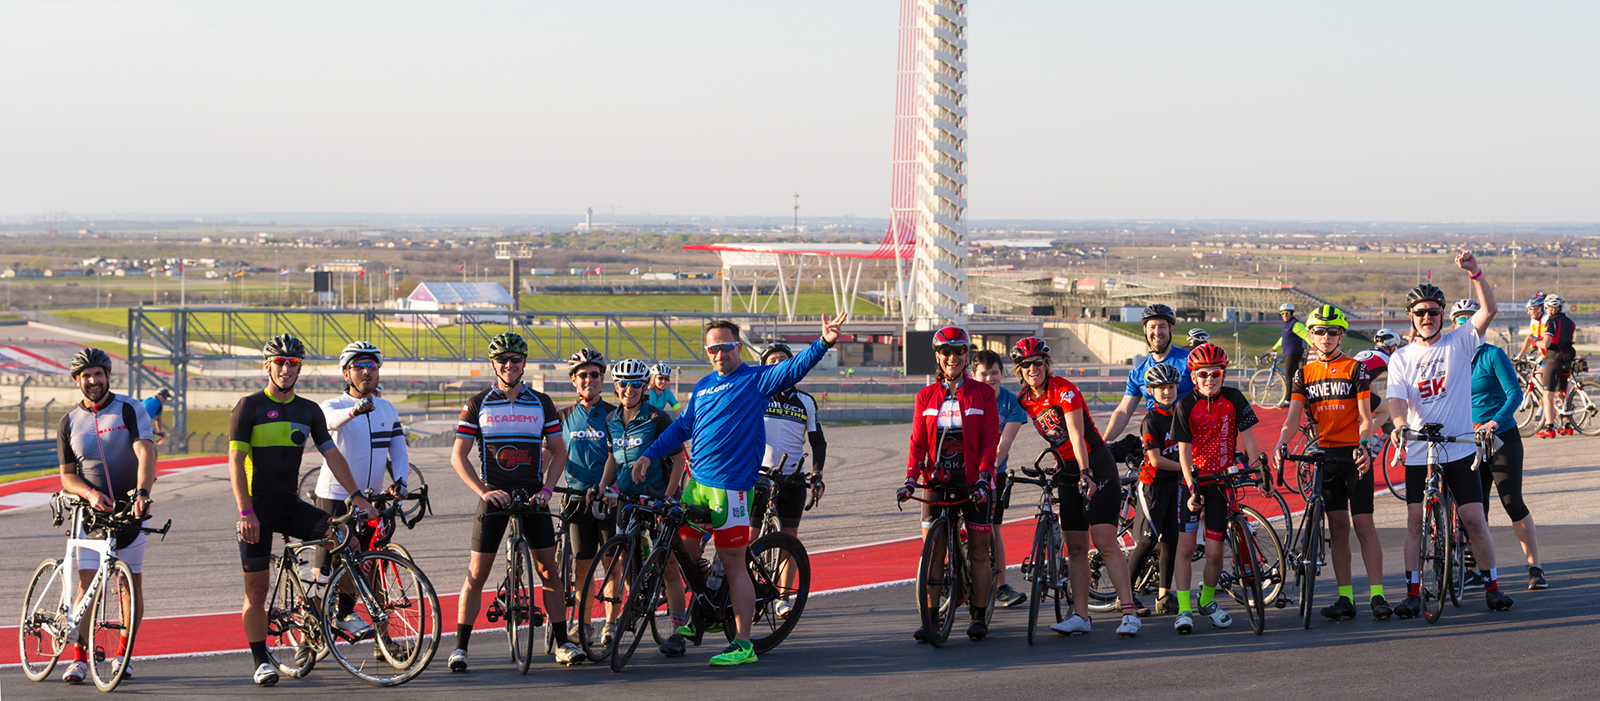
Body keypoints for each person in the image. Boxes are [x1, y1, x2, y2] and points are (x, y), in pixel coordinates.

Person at [634, 311, 848, 666]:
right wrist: (648, 455)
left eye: (727, 346)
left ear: (738, 348)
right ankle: (703, 610)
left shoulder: (756, 380)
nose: (720, 353)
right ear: (707, 352)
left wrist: (823, 342)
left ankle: (743, 643)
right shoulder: (702, 386)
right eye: (713, 348)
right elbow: (681, 428)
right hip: (697, 486)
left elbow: (794, 369)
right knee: (683, 555)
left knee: (733, 562)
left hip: (731, 488)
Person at [229, 334, 372, 687]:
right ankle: (261, 660)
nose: (285, 369)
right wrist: (245, 511)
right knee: (257, 591)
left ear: (300, 368)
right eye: (279, 362)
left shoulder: (308, 410)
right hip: (257, 510)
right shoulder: (248, 407)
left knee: (349, 542)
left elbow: (332, 455)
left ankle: (341, 615)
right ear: (267, 366)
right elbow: (234, 461)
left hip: (290, 505)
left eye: (292, 363)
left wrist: (357, 496)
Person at [1385, 252, 1514, 616]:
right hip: (1418, 450)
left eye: (1433, 311)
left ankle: (1492, 585)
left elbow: (1489, 310)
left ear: (1443, 314)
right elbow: (1396, 399)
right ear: (1411, 317)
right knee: (1413, 522)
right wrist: (1398, 426)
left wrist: (1475, 272)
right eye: (1420, 312)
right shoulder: (1402, 357)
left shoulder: (1459, 342)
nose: (1427, 317)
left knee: (1474, 519)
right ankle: (1413, 592)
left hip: (1458, 447)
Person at [448, 332, 583, 672]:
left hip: (532, 493)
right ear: (493, 364)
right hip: (494, 492)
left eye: (516, 360)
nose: (509, 365)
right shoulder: (478, 403)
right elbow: (458, 456)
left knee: (548, 570)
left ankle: (563, 642)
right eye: (503, 360)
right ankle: (461, 647)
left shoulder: (541, 402)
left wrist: (548, 490)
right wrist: (483, 491)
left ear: (524, 363)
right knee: (476, 574)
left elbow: (559, 451)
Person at [1010, 335, 1142, 637]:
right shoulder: (1024, 399)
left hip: (1095, 462)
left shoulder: (1063, 390)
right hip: (1067, 469)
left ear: (1047, 364)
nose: (1033, 369)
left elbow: (1075, 434)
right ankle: (1080, 616)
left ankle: (1129, 613)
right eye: (1026, 365)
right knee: (1076, 546)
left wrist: (1085, 472)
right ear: (1019, 369)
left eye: (1038, 363)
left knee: (1104, 538)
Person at [1269, 305, 1390, 621]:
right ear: (1310, 335)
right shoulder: (1304, 374)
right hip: (1325, 456)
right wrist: (1282, 443)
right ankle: (1345, 597)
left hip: (1354, 455)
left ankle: (1377, 595)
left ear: (1341, 334)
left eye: (1332, 331)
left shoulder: (1355, 369)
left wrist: (1364, 443)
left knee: (1363, 526)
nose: (1325, 337)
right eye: (1319, 331)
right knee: (1337, 529)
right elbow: (1293, 419)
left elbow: (1366, 417)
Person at [55, 348, 157, 685]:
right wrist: (89, 493)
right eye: (86, 375)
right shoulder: (68, 421)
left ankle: (123, 654)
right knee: (86, 586)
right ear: (77, 380)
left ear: (108, 375)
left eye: (98, 374)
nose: (93, 380)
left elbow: (146, 450)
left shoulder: (129, 408)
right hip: (89, 513)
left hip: (130, 509)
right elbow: (67, 476)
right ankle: (80, 658)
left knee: (128, 584)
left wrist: (142, 493)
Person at [898, 327, 1000, 641]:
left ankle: (979, 616)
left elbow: (989, 441)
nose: (952, 358)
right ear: (937, 357)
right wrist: (909, 480)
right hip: (936, 481)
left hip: (974, 482)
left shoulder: (982, 393)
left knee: (980, 553)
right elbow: (917, 444)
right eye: (946, 352)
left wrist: (985, 476)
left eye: (959, 352)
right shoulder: (925, 396)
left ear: (967, 355)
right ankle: (930, 619)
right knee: (932, 553)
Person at [311, 341, 411, 637]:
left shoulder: (387, 408)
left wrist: (402, 482)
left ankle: (347, 615)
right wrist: (355, 411)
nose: (367, 372)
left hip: (370, 499)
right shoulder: (333, 405)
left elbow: (400, 453)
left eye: (372, 366)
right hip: (334, 496)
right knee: (325, 567)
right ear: (346, 373)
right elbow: (329, 424)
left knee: (362, 564)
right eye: (359, 367)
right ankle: (307, 637)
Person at [595, 359, 691, 656]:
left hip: (658, 498)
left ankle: (677, 633)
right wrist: (602, 486)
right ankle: (635, 607)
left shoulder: (657, 417)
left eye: (636, 384)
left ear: (645, 386)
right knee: (626, 560)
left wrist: (669, 497)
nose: (629, 389)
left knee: (670, 568)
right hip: (627, 499)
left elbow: (678, 460)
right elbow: (613, 459)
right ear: (615, 387)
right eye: (623, 384)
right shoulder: (611, 419)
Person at [1449, 300, 1546, 590]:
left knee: (1512, 502)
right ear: (1453, 325)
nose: (1466, 324)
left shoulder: (1493, 355)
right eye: (1460, 320)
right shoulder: (1449, 358)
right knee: (1473, 510)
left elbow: (1514, 394)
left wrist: (1495, 421)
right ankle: (1477, 571)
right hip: (1467, 442)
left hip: (1500, 437)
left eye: (1472, 318)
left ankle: (1535, 567)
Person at [1169, 343, 1265, 634]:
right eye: (1203, 375)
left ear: (1224, 375)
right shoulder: (1185, 404)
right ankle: (1184, 609)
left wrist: (1260, 471)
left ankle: (1206, 601)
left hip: (1222, 482)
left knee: (1214, 553)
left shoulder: (1234, 398)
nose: (1209, 380)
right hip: (1194, 482)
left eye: (1216, 374)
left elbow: (1248, 439)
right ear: (1194, 376)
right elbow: (1183, 453)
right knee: (1185, 548)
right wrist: (1191, 487)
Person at [756, 342, 828, 617]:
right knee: (751, 540)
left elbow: (818, 442)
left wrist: (817, 475)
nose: (779, 365)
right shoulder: (759, 394)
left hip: (792, 478)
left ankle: (783, 597)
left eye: (784, 360)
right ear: (764, 366)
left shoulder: (806, 401)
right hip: (758, 476)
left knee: (789, 538)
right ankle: (750, 590)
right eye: (772, 361)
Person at [556, 347, 617, 643]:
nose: (589, 380)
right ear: (573, 380)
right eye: (583, 375)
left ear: (603, 379)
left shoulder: (614, 415)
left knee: (611, 565)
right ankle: (584, 624)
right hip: (577, 500)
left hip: (609, 501)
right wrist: (540, 488)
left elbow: (623, 457)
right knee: (582, 566)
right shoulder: (563, 416)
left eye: (595, 374)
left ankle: (611, 622)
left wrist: (613, 489)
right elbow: (550, 455)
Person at [969, 349, 1030, 608]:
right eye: (983, 374)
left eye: (994, 373)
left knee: (994, 529)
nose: (989, 379)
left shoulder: (1011, 403)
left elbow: (1003, 446)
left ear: (1002, 374)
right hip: (964, 470)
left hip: (994, 473)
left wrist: (986, 469)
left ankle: (1002, 586)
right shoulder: (967, 397)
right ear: (973, 375)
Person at [1132, 362, 1186, 617]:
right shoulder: (1151, 420)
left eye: (1172, 386)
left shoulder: (1181, 414)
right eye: (1161, 387)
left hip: (1173, 485)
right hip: (1152, 487)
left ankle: (1164, 595)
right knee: (1146, 541)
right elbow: (1155, 460)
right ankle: (1126, 596)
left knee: (1172, 539)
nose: (1167, 391)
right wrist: (1186, 468)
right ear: (1151, 392)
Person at [1103, 304, 1195, 441]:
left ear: (1171, 329)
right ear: (1145, 330)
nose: (1157, 332)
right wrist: (1103, 444)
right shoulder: (1137, 372)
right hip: (1156, 438)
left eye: (1162, 326)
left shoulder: (1189, 360)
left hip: (1189, 436)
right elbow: (1124, 411)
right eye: (1152, 327)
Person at [1534, 294, 1577, 438]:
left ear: (1552, 309)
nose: (1545, 310)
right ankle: (1567, 426)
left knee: (1548, 395)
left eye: (1546, 308)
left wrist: (1536, 343)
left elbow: (1546, 344)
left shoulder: (1551, 321)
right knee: (1562, 393)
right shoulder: (1570, 322)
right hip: (1567, 360)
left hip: (1553, 360)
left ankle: (1550, 428)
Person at [1354, 328, 1403, 431]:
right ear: (1392, 347)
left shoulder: (1362, 353)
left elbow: (1368, 382)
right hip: (1354, 393)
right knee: (1387, 410)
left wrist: (1380, 400)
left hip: (1343, 388)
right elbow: (1402, 378)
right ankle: (1363, 437)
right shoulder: (1387, 358)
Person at [1271, 303, 1310, 409]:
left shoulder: (1295, 324)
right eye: (1282, 313)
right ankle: (1300, 397)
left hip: (1293, 353)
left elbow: (1305, 335)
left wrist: (1315, 346)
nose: (1284, 315)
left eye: (1287, 313)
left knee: (1288, 375)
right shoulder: (1286, 325)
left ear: (1292, 313)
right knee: (1295, 377)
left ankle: (1287, 400)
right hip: (1288, 353)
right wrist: (1274, 348)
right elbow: (1283, 338)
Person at [1516, 292, 1546, 360]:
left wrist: (1535, 343)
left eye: (1530, 309)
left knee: (1540, 369)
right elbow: (1530, 337)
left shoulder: (1547, 319)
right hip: (1542, 354)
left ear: (1539, 309)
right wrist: (1520, 355)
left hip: (1551, 355)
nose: (1528, 312)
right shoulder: (1534, 320)